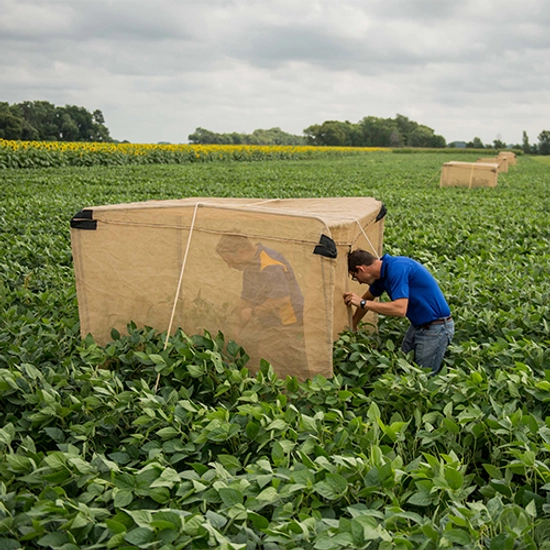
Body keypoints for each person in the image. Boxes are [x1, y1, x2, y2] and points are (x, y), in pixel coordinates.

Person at [343, 249, 454, 374]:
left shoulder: (397, 268)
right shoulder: (380, 275)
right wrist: (353, 325)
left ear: (361, 268)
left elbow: (400, 309)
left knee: (424, 376)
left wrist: (362, 303)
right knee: (402, 368)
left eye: (355, 276)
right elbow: (368, 297)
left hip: (436, 328)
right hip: (419, 325)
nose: (358, 281)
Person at [216, 234, 308, 374]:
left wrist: (252, 312)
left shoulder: (269, 265)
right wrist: (235, 331)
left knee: (277, 364)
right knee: (263, 357)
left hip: (288, 324)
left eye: (229, 261)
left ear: (241, 252)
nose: (230, 266)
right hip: (270, 323)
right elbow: (246, 299)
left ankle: (289, 394)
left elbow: (281, 300)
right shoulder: (250, 265)